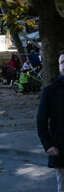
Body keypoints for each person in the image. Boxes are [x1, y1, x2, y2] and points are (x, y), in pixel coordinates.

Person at [38, 52, 64, 192]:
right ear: (59, 66)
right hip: (61, 147)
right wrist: (48, 145)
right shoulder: (50, 91)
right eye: (62, 62)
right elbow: (41, 121)